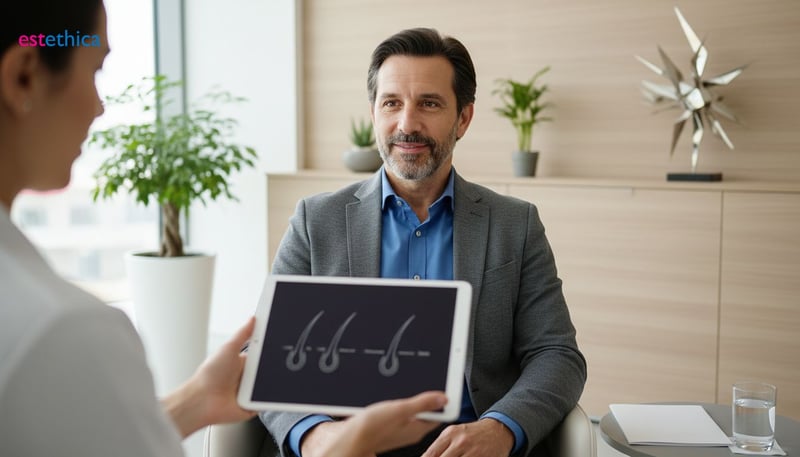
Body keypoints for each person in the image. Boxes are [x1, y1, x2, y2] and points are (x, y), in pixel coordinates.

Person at [0, 3, 448, 456]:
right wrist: (331, 443)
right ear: (23, 77)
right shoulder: (62, 331)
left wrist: (192, 403)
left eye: (429, 103)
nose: (100, 106)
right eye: (94, 71)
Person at [259, 28, 588, 457]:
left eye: (429, 104)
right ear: (374, 113)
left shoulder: (515, 224)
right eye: (391, 103)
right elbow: (265, 349)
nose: (407, 124)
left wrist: (500, 428)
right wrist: (316, 435)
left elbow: (557, 353)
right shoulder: (314, 220)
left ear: (464, 118)